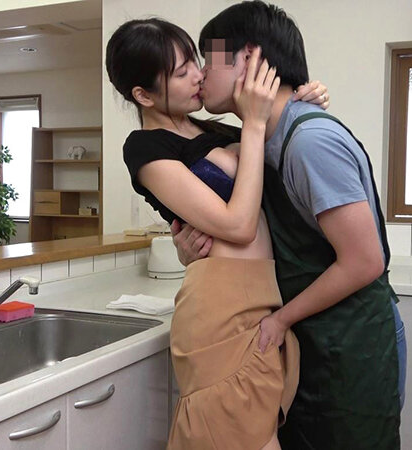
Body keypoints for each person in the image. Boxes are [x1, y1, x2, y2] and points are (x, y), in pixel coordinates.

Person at [173, 2, 406, 448]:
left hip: (355, 342)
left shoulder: (309, 142)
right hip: (316, 337)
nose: (201, 74)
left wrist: (281, 319)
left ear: (249, 58)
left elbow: (364, 261)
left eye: (209, 57)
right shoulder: (258, 138)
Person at [105, 18, 330, 450]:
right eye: (181, 72)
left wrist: (299, 101)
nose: (199, 74)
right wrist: (256, 126)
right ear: (143, 95)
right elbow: (238, 226)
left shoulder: (217, 129)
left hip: (265, 297)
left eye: (195, 61)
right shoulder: (145, 148)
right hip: (220, 310)